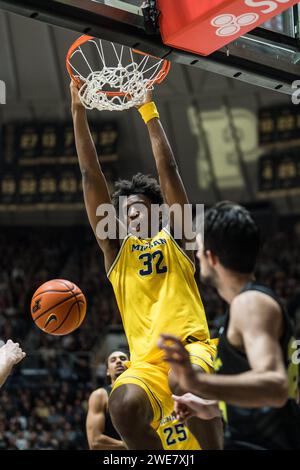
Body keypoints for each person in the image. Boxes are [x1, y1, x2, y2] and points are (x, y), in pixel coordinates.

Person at [70, 81, 222, 450]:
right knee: (121, 406)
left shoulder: (180, 239)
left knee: (181, 382)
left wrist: (148, 111)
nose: (129, 216)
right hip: (147, 364)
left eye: (136, 209)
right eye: (123, 213)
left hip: (192, 350)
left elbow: (168, 169)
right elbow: (92, 177)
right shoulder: (116, 251)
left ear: (157, 211)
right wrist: (78, 111)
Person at [159, 201, 300, 450]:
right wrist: (210, 407)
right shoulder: (246, 305)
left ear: (211, 257)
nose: (198, 254)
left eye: (199, 248)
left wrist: (197, 382)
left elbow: (275, 387)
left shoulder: (251, 304)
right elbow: (261, 402)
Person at [86, 351, 128, 450]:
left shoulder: (145, 394)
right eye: (113, 360)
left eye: (122, 359)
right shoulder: (100, 395)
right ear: (108, 371)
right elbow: (95, 442)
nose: (118, 361)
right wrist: (131, 445)